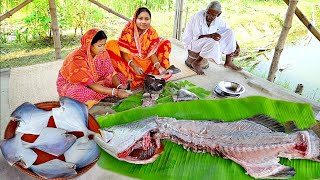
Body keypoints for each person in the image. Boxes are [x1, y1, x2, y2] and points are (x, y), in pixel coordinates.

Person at [56, 28, 131, 109]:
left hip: (96, 82)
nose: (103, 48)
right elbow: (91, 84)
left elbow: (111, 72)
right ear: (89, 44)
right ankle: (96, 99)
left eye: (104, 44)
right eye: (99, 45)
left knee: (120, 77)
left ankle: (101, 95)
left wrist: (119, 86)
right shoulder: (77, 58)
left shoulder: (103, 53)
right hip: (74, 85)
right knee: (80, 93)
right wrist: (116, 92)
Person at [106, 7, 172, 90]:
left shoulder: (152, 32)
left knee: (166, 43)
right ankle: (128, 77)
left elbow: (151, 53)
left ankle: (156, 75)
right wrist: (134, 65)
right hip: (129, 62)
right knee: (111, 44)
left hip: (146, 63)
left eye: (147, 19)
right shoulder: (128, 30)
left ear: (150, 20)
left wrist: (159, 67)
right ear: (135, 19)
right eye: (140, 19)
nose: (143, 22)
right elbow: (124, 52)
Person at [183, 1, 241, 75]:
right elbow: (196, 37)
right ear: (206, 11)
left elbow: (228, 31)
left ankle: (228, 62)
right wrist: (211, 35)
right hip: (192, 42)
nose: (209, 17)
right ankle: (196, 63)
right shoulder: (197, 17)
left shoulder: (219, 19)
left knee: (230, 32)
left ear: (219, 14)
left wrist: (237, 46)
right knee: (213, 42)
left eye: (213, 15)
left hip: (206, 41)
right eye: (208, 13)